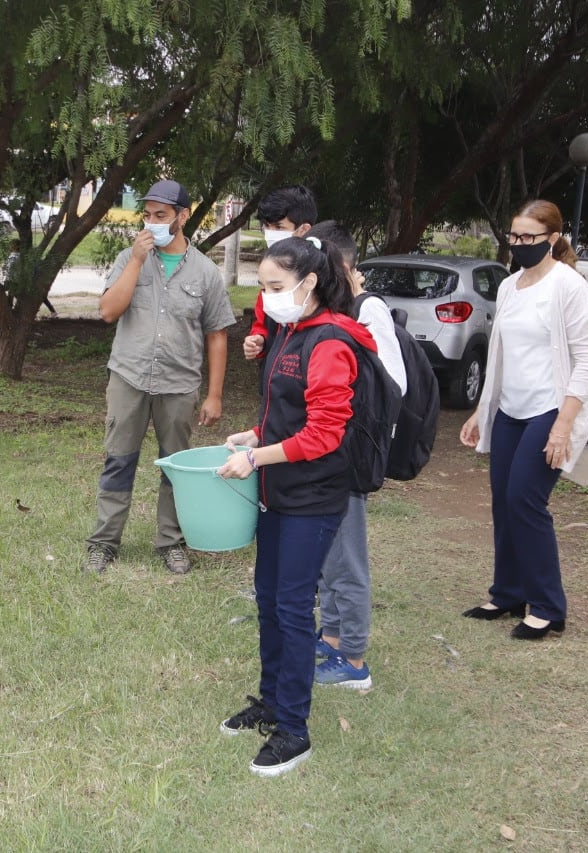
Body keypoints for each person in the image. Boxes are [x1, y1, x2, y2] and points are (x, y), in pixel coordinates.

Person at [216, 235, 377, 777]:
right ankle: (270, 701)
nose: (267, 297)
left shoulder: (330, 343)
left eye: (276, 286)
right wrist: (253, 434)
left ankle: (294, 729)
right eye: (262, 287)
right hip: (277, 492)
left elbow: (325, 434)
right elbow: (286, 412)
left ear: (309, 283)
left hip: (314, 496)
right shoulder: (289, 331)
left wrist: (258, 456)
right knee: (268, 599)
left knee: (291, 606)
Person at [459, 199, 588, 639]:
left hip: (549, 411)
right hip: (510, 411)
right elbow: (502, 356)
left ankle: (547, 605)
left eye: (528, 238)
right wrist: (482, 411)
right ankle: (508, 592)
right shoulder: (509, 286)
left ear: (553, 239)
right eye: (514, 237)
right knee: (503, 499)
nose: (519, 245)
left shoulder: (569, 287)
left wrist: (563, 424)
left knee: (525, 498)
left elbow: (587, 361)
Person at [84, 179, 237, 575]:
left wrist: (214, 395)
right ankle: (103, 543)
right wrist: (135, 261)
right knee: (118, 462)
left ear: (183, 217)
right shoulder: (127, 258)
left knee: (175, 470)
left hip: (179, 386)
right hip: (129, 378)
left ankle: (171, 542)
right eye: (148, 215)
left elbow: (217, 335)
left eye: (162, 216)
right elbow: (107, 312)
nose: (152, 223)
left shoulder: (205, 272)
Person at [306, 221, 406, 689]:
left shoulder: (370, 311)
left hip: (349, 454)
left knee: (347, 556)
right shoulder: (335, 310)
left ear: (342, 266)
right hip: (324, 454)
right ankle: (331, 638)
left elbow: (391, 386)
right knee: (327, 555)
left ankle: (355, 659)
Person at [242, 186, 319, 361]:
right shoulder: (270, 271)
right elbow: (263, 322)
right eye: (267, 226)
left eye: (279, 227)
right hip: (274, 375)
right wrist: (258, 339)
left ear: (304, 229)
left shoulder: (323, 274)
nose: (271, 234)